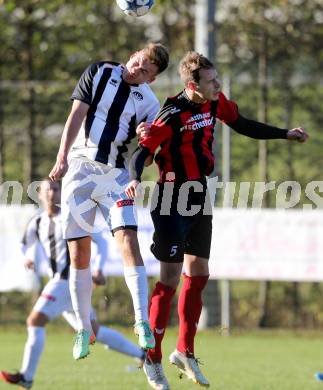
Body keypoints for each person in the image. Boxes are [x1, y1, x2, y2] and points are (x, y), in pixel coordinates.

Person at [125, 51, 308, 390]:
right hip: (170, 199)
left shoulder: (214, 103)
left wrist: (285, 133)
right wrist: (135, 177)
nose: (218, 85)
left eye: (217, 79)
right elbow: (143, 152)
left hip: (198, 196)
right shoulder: (171, 115)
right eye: (211, 81)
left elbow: (242, 124)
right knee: (169, 279)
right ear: (193, 85)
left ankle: (185, 351)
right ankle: (151, 357)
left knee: (199, 273)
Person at [48, 43, 169, 360]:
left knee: (128, 238)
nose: (137, 69)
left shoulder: (149, 101)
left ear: (151, 80)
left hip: (115, 176)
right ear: (133, 54)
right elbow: (76, 114)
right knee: (79, 251)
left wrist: (142, 144)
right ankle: (83, 329)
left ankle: (141, 320)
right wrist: (61, 159)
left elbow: (147, 148)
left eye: (145, 71)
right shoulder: (99, 71)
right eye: (138, 61)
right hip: (80, 169)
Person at [0, 179, 146, 389]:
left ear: (61, 193)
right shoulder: (37, 222)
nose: (52, 193)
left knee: (34, 321)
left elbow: (102, 243)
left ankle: (27, 376)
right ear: (40, 194)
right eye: (47, 190)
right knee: (95, 332)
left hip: (66, 281)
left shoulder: (71, 217)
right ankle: (143, 355)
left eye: (56, 189)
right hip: (62, 285)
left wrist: (98, 268)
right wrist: (27, 258)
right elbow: (25, 245)